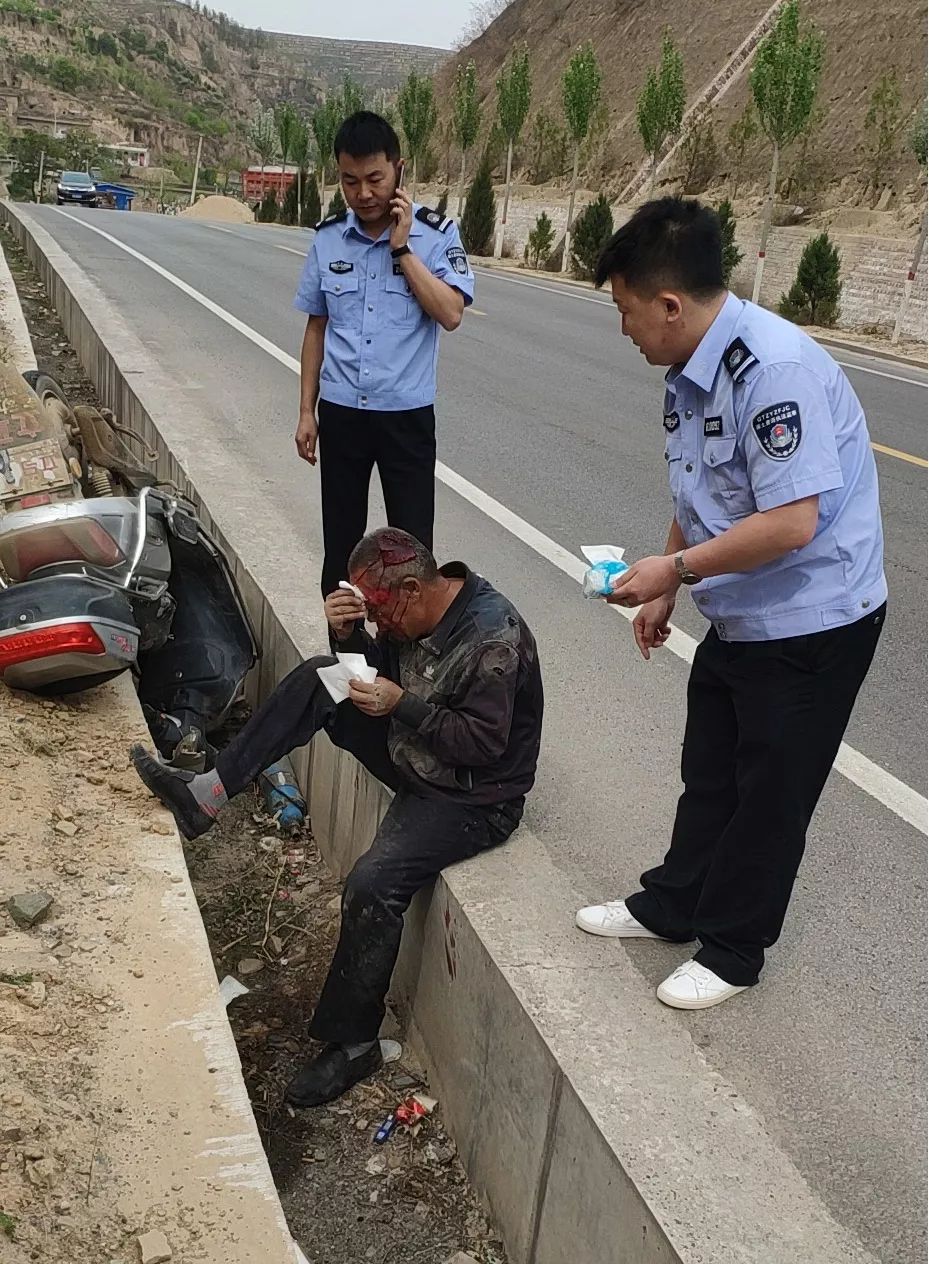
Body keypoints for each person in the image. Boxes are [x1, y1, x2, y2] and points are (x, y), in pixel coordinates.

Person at [576, 197, 886, 1011]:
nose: (624, 329)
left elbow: (789, 521)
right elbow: (703, 483)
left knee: (769, 794)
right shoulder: (689, 369)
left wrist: (672, 565)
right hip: (745, 609)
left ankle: (733, 949)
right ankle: (672, 905)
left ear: (669, 304)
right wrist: (672, 582)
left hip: (814, 620)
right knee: (709, 772)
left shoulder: (772, 372)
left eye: (626, 311)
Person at [130, 529, 543, 1104]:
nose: (379, 624)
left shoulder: (491, 639)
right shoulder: (414, 612)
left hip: (471, 793)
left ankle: (354, 1044)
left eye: (377, 610)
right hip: (415, 748)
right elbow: (381, 669)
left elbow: (483, 746)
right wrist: (346, 634)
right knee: (322, 673)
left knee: (374, 884)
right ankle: (208, 793)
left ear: (411, 589)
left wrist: (404, 705)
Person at [293, 111, 475, 596]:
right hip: (342, 415)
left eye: (375, 178)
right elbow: (316, 327)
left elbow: (451, 313)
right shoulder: (328, 237)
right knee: (341, 548)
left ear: (399, 169)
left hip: (406, 419)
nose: (364, 193)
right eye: (350, 181)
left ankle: (411, 662)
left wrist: (402, 251)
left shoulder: (437, 236)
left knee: (413, 553)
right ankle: (345, 657)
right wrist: (306, 412)